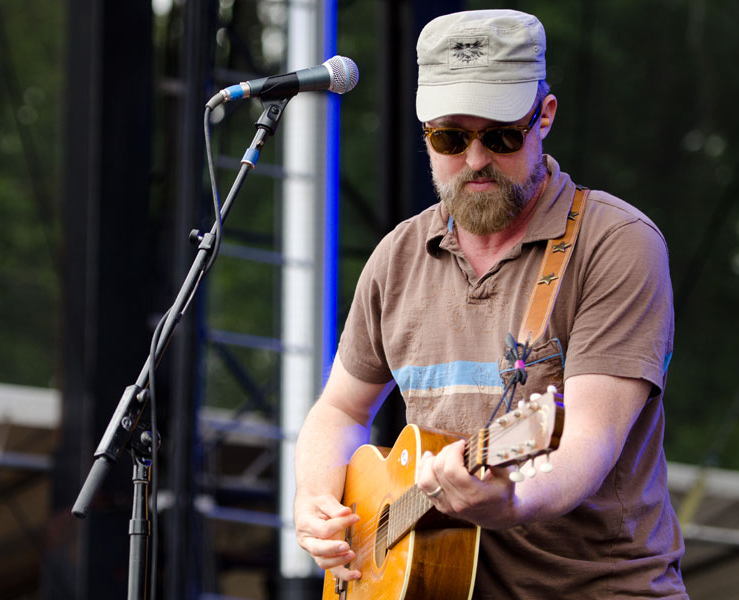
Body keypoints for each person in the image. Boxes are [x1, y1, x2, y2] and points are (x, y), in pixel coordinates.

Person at [293, 8, 689, 599]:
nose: (475, 160)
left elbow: (586, 441)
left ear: (544, 116)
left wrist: (509, 502)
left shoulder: (615, 243)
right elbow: (341, 411)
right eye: (451, 138)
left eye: (501, 136)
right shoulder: (397, 255)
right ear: (423, 126)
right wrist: (316, 500)